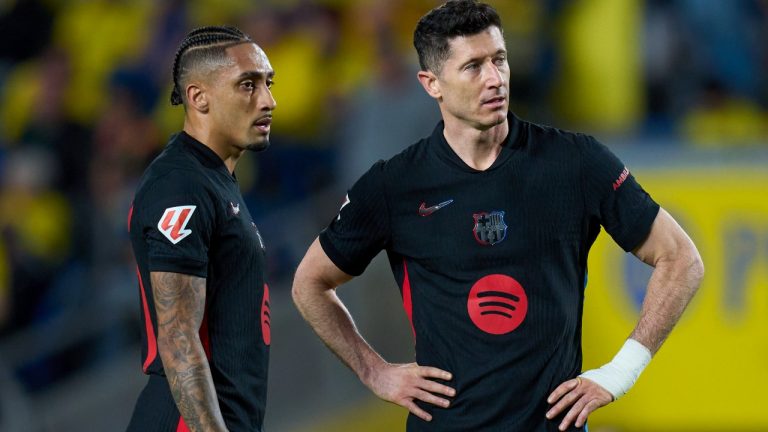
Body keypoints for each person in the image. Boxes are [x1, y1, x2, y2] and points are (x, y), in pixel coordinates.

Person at [291, 1, 704, 431]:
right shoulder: (393, 185)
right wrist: (374, 371)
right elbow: (310, 283)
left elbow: (681, 259)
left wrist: (621, 371)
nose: (494, 79)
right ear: (432, 84)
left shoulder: (576, 162)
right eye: (473, 67)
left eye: (499, 59)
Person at [126, 25, 276, 432]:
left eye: (268, 83)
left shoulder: (213, 179)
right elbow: (178, 339)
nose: (268, 100)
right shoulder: (181, 185)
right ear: (198, 97)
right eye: (248, 85)